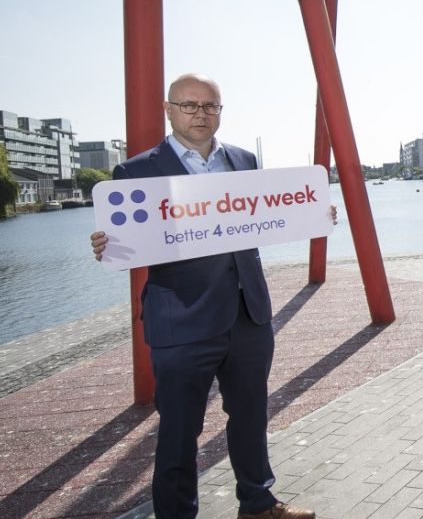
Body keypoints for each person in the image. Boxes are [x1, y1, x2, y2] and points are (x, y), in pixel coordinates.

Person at [90, 74, 315, 519]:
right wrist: (106, 244)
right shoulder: (136, 172)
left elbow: (268, 218)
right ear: (168, 109)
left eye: (210, 106)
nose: (201, 114)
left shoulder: (244, 160)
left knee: (250, 416)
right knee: (179, 432)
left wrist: (311, 213)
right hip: (182, 321)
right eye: (190, 105)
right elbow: (124, 238)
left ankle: (258, 502)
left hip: (248, 314)